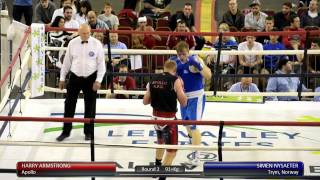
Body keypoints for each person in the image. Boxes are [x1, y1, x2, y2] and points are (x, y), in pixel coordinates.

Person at [56, 24, 106, 141]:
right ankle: (66, 131)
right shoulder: (72, 43)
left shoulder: (96, 44)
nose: (86, 35)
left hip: (91, 77)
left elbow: (101, 65)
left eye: (88, 33)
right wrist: (62, 78)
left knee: (90, 105)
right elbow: (66, 62)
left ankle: (89, 132)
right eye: (84, 33)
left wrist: (98, 80)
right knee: (69, 103)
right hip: (75, 76)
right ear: (79, 32)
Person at [143, 60, 187, 180]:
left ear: (164, 68)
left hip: (155, 118)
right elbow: (184, 103)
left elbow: (145, 101)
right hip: (169, 119)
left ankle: (157, 168)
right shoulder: (176, 80)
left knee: (160, 142)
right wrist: (181, 89)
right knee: (172, 151)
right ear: (175, 70)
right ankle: (162, 177)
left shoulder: (153, 78)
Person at [171, 41, 211, 166]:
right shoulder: (175, 63)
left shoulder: (195, 60)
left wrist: (199, 66)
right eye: (179, 54)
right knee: (186, 124)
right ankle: (193, 142)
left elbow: (208, 75)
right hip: (183, 97)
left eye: (183, 54)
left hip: (196, 97)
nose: (182, 56)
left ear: (188, 52)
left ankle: (197, 155)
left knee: (194, 126)